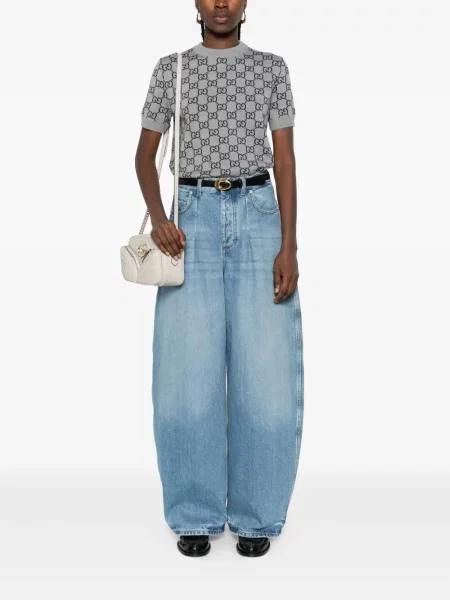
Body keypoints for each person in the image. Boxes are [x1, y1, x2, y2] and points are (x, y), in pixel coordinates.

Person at [135, 0, 304, 558]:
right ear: (197, 4)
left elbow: (285, 161)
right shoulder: (172, 68)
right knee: (187, 373)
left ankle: (257, 515)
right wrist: (160, 218)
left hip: (259, 215)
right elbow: (144, 155)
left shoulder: (272, 67)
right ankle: (195, 512)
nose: (222, 3)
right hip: (191, 220)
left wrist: (288, 244)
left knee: (267, 370)